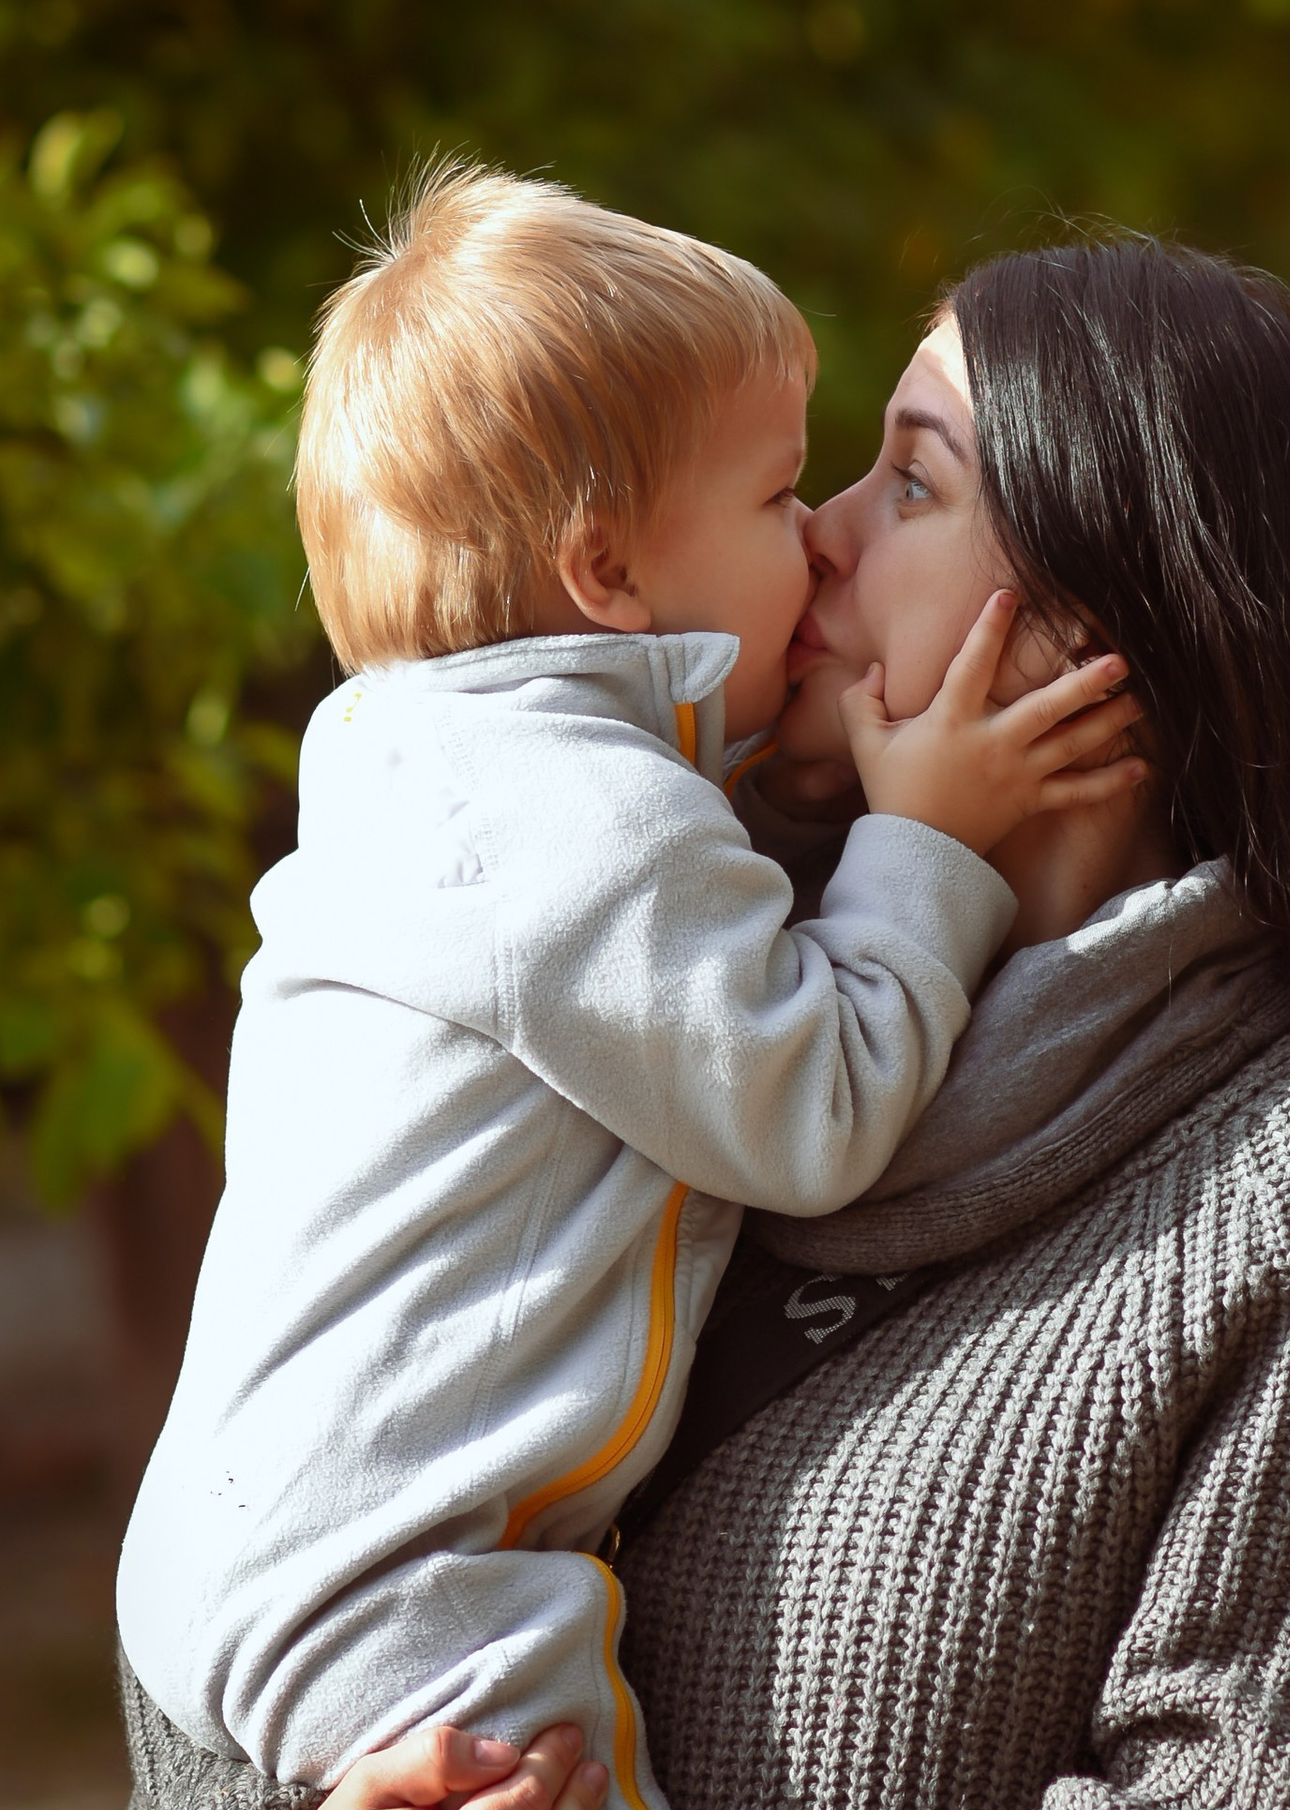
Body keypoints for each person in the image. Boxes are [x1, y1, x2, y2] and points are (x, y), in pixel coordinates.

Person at [137, 233, 1290, 1810]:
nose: (822, 537)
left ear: (1099, 637)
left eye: (911, 487)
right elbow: (277, 1539)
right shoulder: (624, 994)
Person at [114, 170, 1145, 1806]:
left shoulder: (437, 770)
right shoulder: (585, 825)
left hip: (258, 1529)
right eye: (778, 497)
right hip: (407, 1578)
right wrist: (929, 842)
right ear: (605, 573)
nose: (818, 538)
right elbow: (814, 1106)